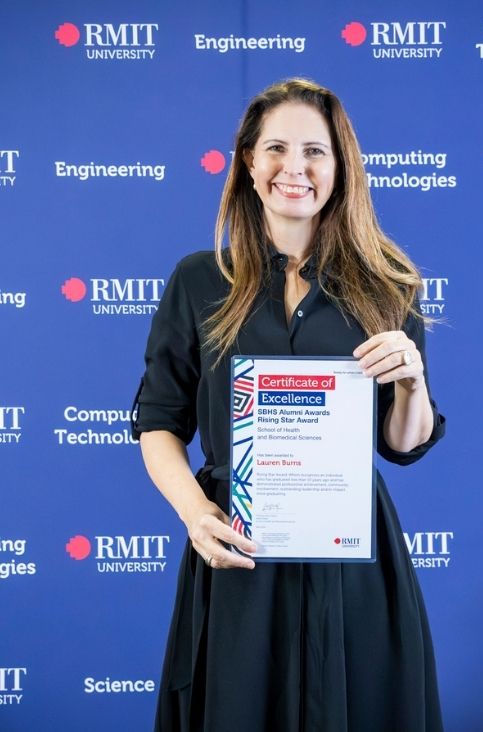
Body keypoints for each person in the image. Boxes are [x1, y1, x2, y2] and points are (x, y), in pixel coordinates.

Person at [132, 78, 445, 731]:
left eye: (315, 151)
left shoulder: (389, 283)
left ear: (341, 167)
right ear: (248, 161)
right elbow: (159, 419)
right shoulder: (198, 280)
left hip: (351, 552)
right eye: (275, 148)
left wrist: (413, 382)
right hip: (237, 548)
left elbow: (404, 444)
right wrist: (195, 514)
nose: (293, 168)